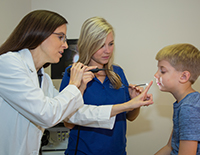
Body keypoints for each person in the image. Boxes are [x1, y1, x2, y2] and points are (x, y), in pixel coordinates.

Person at [0, 10, 153, 155]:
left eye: (110, 44)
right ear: (40, 34)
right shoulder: (8, 63)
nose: (66, 45)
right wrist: (74, 85)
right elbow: (47, 114)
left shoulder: (43, 78)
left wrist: (131, 104)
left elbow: (77, 114)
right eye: (60, 37)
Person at [60, 16, 153, 155]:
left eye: (110, 44)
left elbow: (130, 117)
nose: (107, 51)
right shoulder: (73, 74)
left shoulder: (117, 73)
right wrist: (79, 88)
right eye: (101, 45)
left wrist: (135, 102)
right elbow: (68, 123)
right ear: (88, 44)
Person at [154, 43, 200, 155]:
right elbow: (170, 147)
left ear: (184, 77)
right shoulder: (183, 103)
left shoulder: (189, 108)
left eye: (163, 71)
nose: (156, 75)